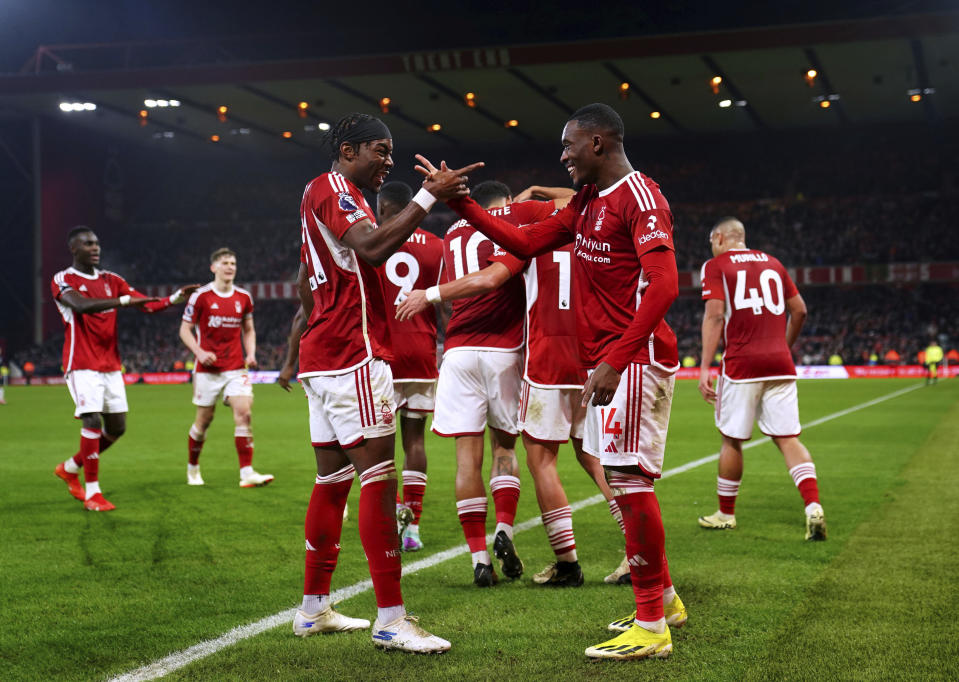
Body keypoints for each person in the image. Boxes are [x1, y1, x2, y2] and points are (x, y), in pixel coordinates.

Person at [420, 103, 687, 661]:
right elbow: (522, 242)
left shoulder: (640, 196)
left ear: (597, 142)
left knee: (630, 482)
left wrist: (616, 358)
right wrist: (460, 203)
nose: (562, 155)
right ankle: (663, 601)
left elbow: (663, 287)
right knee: (621, 476)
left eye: (568, 145)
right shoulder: (590, 202)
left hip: (633, 360)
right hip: (606, 361)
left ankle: (651, 625)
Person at [291, 112, 479, 653]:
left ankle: (313, 609)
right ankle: (392, 619)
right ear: (348, 151)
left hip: (327, 353)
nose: (389, 159)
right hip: (353, 353)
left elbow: (308, 278)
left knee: (332, 482)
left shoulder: (324, 194)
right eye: (380, 149)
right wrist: (427, 197)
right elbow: (372, 249)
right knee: (378, 476)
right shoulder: (333, 187)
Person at [397, 180, 545, 588]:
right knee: (504, 448)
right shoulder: (513, 220)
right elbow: (492, 278)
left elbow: (451, 296)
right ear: (508, 200)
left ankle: (479, 559)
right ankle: (504, 530)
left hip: (458, 352)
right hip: (503, 350)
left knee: (466, 460)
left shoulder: (453, 231)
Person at [696, 217, 827, 542]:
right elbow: (800, 311)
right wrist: (784, 345)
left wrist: (703, 367)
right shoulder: (773, 262)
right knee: (787, 439)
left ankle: (725, 514)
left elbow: (714, 316)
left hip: (741, 363)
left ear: (721, 237)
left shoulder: (716, 265)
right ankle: (812, 506)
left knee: (732, 439)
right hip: (779, 362)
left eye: (713, 240)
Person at [51, 226, 198, 511]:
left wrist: (176, 298)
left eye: (97, 243)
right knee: (92, 420)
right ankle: (93, 493)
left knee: (117, 428)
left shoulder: (112, 279)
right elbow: (79, 306)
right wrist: (123, 301)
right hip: (81, 362)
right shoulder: (63, 279)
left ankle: (70, 467)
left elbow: (145, 304)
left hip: (110, 363)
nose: (95, 248)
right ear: (73, 249)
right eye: (88, 244)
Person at [376, 181, 444, 552]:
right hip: (420, 353)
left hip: (381, 356)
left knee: (380, 445)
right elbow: (447, 303)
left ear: (385, 208)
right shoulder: (437, 246)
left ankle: (387, 521)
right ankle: (412, 526)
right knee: (415, 440)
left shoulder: (372, 241)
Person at [178, 247, 273, 488]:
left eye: (233, 262)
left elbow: (249, 329)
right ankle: (193, 467)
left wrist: (250, 353)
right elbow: (184, 330)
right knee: (204, 421)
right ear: (214, 268)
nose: (230, 266)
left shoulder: (243, 297)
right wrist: (199, 352)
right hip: (207, 371)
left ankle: (247, 473)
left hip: (235, 367)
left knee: (244, 413)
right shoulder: (200, 296)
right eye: (225, 262)